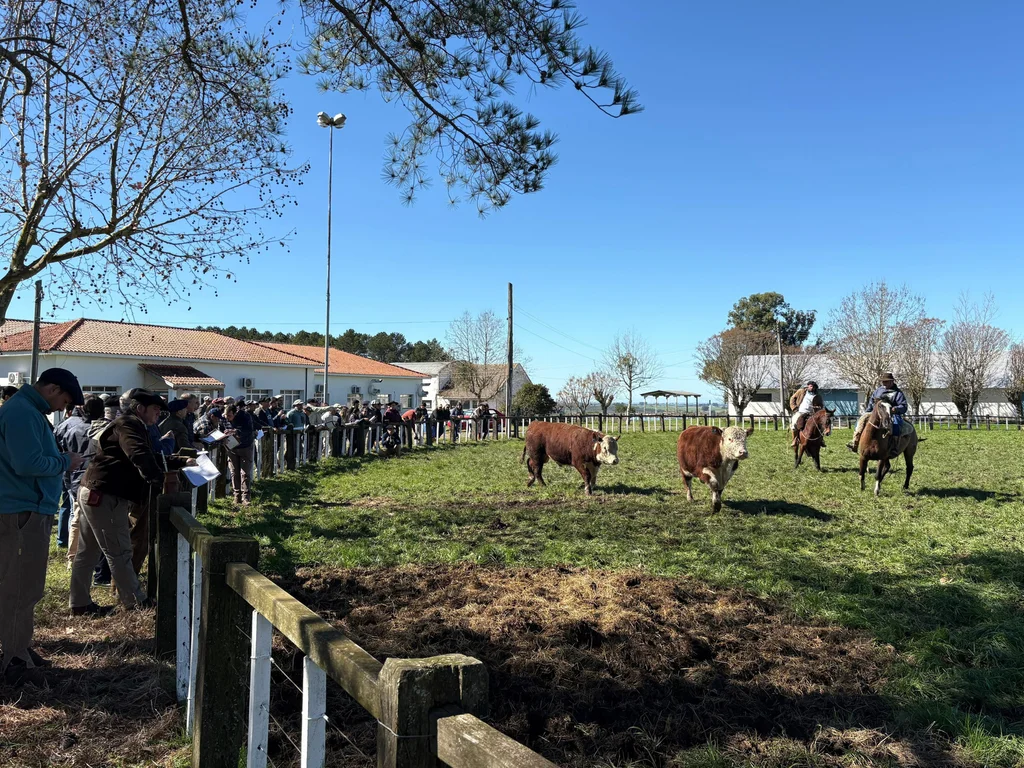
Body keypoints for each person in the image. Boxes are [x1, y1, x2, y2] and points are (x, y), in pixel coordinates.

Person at [71, 390, 192, 615]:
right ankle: (136, 603)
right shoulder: (129, 424)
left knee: (88, 552)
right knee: (119, 550)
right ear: (140, 408)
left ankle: (79, 603)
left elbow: (146, 455)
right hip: (105, 494)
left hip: (95, 490)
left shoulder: (132, 424)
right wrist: (156, 480)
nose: (158, 414)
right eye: (155, 409)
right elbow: (139, 455)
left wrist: (179, 460)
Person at [0, 368, 84, 685]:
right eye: (63, 399)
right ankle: (14, 660)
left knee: (23, 586)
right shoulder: (23, 413)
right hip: (23, 511)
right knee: (20, 588)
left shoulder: (26, 410)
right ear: (50, 388)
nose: (62, 408)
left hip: (25, 508)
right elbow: (27, 464)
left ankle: (19, 647)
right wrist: (65, 461)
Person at [55, 396, 105, 569]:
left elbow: (56, 448)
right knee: (86, 520)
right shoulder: (102, 430)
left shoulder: (66, 425)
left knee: (73, 515)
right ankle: (82, 559)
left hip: (70, 475)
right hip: (90, 479)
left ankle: (73, 557)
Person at [847, 372, 910, 452]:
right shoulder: (878, 391)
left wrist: (896, 409)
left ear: (892, 381)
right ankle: (855, 443)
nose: (884, 383)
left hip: (891, 414)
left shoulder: (898, 393)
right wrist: (867, 413)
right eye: (883, 381)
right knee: (860, 422)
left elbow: (904, 406)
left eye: (886, 381)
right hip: (875, 413)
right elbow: (871, 403)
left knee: (897, 425)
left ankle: (894, 446)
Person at [223, 403, 255, 505]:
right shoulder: (223, 418)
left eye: (229, 416)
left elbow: (249, 430)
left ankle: (246, 497)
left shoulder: (245, 417)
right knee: (234, 472)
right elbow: (220, 428)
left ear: (235, 413)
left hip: (245, 447)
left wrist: (235, 431)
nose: (227, 419)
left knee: (245, 473)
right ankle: (236, 496)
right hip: (231, 448)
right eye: (226, 416)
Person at [788, 380, 824, 448]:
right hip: (801, 412)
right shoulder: (801, 392)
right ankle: (795, 439)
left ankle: (821, 440)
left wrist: (818, 408)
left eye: (813, 387)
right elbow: (792, 398)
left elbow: (821, 405)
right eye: (810, 386)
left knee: (821, 425)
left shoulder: (818, 396)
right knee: (794, 422)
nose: (812, 388)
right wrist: (794, 408)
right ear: (808, 386)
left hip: (812, 413)